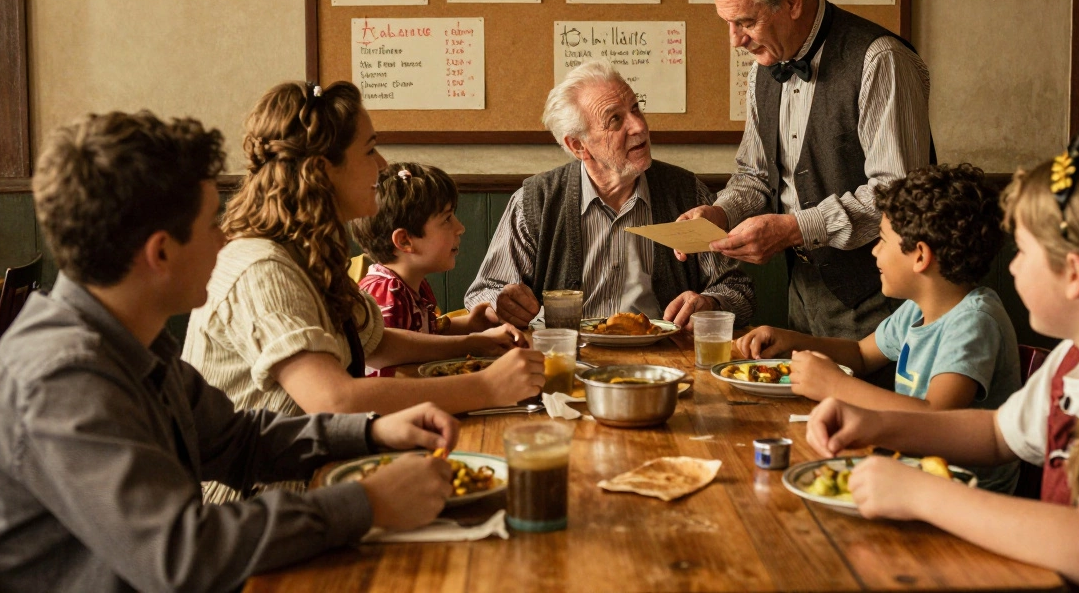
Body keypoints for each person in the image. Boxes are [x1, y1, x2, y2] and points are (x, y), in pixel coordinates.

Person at [0, 111, 459, 593]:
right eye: (210, 226)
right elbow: (182, 557)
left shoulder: (126, 335)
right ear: (160, 253)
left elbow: (237, 439)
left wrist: (371, 432)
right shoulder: (63, 377)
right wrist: (366, 503)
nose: (224, 242)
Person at [806, 135, 1079, 591]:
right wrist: (869, 422)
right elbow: (993, 435)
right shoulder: (1076, 357)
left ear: (1075, 275)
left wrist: (919, 494)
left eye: (1023, 252)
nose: (1010, 268)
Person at [182, 81, 545, 503]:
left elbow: (376, 343)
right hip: (248, 511)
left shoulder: (307, 250)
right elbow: (334, 399)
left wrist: (473, 343)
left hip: (312, 486)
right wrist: (486, 387)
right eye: (370, 149)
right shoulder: (263, 268)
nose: (382, 164)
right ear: (321, 171)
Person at [679, 0, 932, 341]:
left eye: (745, 22)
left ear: (792, 2)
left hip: (885, 295)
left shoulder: (880, 59)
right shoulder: (762, 70)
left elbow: (898, 196)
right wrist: (720, 214)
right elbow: (755, 177)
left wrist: (796, 228)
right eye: (728, 23)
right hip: (803, 292)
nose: (735, 40)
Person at [736, 164, 1021, 491]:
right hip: (913, 474)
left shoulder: (974, 321)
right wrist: (790, 340)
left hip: (962, 494)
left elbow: (935, 417)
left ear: (920, 256)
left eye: (882, 240)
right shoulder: (917, 309)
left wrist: (835, 385)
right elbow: (860, 353)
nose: (874, 250)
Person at [464, 60, 755, 329]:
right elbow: (483, 291)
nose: (639, 126)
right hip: (567, 358)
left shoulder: (686, 192)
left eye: (636, 109)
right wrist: (500, 304)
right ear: (579, 146)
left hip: (664, 361)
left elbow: (738, 291)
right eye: (615, 119)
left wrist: (710, 303)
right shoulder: (536, 201)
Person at [350, 162, 500, 335]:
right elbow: (401, 352)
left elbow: (426, 334)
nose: (460, 228)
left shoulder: (412, 285)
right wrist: (480, 342)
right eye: (446, 219)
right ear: (405, 240)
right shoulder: (385, 295)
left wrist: (469, 325)